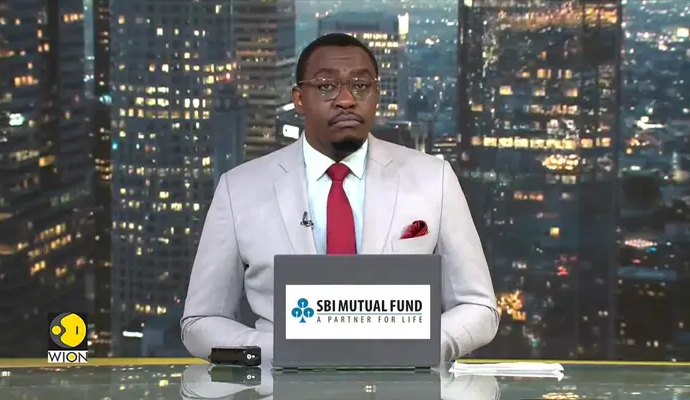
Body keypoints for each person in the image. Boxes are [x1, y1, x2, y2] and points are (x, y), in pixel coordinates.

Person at [180, 33, 499, 362]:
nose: (346, 99)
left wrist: (417, 348)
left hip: (405, 381)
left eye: (360, 85)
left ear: (376, 94)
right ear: (299, 98)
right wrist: (280, 352)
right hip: (279, 381)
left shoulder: (434, 178)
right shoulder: (240, 189)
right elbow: (201, 321)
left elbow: (478, 307)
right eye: (326, 86)